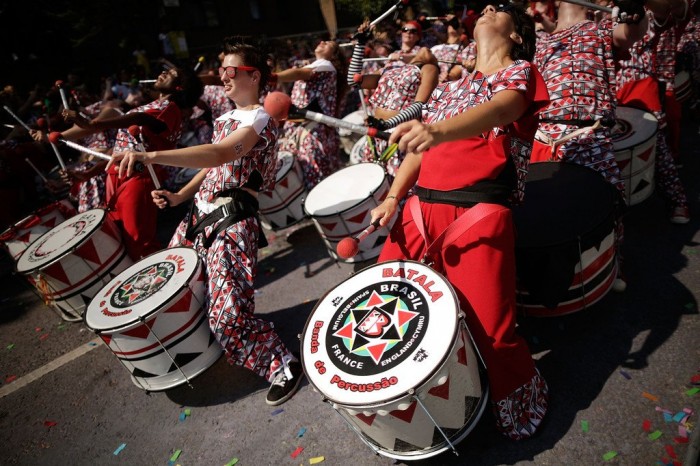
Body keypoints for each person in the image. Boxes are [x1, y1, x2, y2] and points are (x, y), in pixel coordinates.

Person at [369, 4, 550, 440]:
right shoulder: (453, 85)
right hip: (417, 211)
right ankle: (419, 413)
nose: (489, 8)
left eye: (501, 9)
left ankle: (520, 406)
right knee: (389, 310)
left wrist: (437, 130)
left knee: (493, 330)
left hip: (476, 214)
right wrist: (393, 197)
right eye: (487, 5)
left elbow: (503, 110)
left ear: (518, 36)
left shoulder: (519, 72)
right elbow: (419, 147)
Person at [107, 38, 304, 406]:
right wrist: (181, 197)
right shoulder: (227, 118)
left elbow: (222, 152)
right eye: (221, 72)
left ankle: (282, 364)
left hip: (231, 222)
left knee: (228, 318)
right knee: (173, 293)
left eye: (230, 71)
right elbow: (214, 164)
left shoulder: (258, 117)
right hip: (197, 216)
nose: (222, 78)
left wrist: (150, 154)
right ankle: (204, 351)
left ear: (254, 75)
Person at [60, 65, 203, 260]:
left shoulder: (171, 110)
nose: (162, 73)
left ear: (179, 87)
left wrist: (93, 125)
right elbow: (121, 150)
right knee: (121, 239)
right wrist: (89, 174)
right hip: (118, 177)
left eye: (171, 74)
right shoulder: (154, 105)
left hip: (138, 179)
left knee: (140, 244)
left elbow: (140, 119)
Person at [615, 2, 692, 223]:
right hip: (610, 87)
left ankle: (678, 201)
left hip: (642, 85)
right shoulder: (601, 15)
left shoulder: (648, 13)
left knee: (658, 146)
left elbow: (670, 9)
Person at [347, 21, 439, 176]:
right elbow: (353, 81)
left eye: (413, 31)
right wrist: (360, 44)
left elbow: (419, 106)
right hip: (376, 133)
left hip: (399, 135)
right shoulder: (390, 67)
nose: (408, 33)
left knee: (398, 191)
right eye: (405, 29)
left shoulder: (428, 69)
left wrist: (387, 123)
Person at [273, 39, 348, 189]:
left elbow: (300, 73)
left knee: (314, 175)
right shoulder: (317, 64)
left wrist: (273, 77)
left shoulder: (326, 65)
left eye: (328, 45)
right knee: (311, 174)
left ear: (333, 55)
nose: (322, 42)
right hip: (302, 127)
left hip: (310, 130)